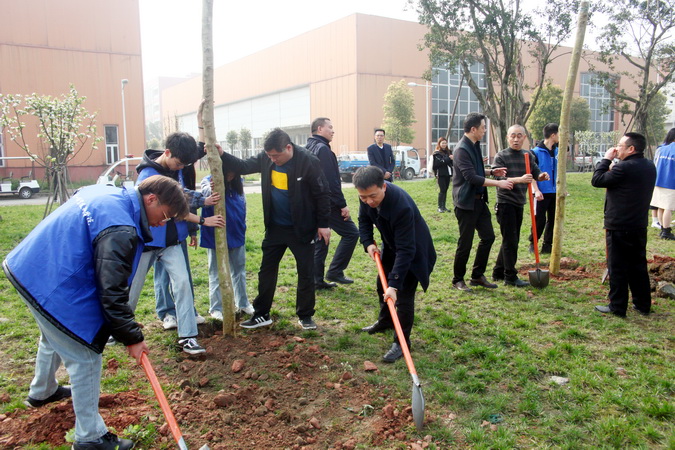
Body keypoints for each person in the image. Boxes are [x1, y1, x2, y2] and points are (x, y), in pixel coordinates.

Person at [3, 176, 188, 450]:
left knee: (54, 334)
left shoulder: (111, 196)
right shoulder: (121, 228)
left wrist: (125, 329)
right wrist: (132, 338)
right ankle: (90, 437)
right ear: (151, 199)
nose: (164, 223)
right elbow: (111, 292)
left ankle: (42, 391)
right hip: (47, 281)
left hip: (31, 266)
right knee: (85, 356)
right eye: (165, 215)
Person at [220, 128, 331, 331]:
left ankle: (305, 315)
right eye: (269, 155)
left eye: (276, 156)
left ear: (288, 147)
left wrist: (323, 224)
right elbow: (243, 166)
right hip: (275, 227)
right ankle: (262, 314)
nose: (272, 159)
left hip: (302, 228)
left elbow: (322, 193)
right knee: (266, 271)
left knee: (306, 272)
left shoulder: (308, 161)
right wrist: (222, 154)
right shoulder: (267, 157)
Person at [128, 132, 225, 355]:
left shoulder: (175, 165)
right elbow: (176, 207)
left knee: (182, 283)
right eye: (179, 163)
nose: (181, 168)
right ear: (167, 153)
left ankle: (188, 336)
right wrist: (202, 217)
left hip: (172, 241)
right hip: (148, 241)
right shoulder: (148, 177)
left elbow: (181, 195)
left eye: (184, 165)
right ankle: (116, 329)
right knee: (133, 286)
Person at [354, 166, 436, 363]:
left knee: (403, 297)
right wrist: (368, 243)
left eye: (373, 196)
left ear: (384, 186)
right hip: (391, 245)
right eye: (364, 197)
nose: (369, 201)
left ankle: (401, 342)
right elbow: (363, 220)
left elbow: (406, 250)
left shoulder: (401, 206)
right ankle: (385, 322)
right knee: (381, 285)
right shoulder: (365, 195)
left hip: (413, 251)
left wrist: (395, 284)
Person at [591, 132, 656, 317]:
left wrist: (606, 160)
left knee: (617, 267)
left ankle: (617, 306)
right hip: (638, 223)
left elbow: (597, 180)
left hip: (619, 225)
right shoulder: (649, 165)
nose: (616, 148)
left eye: (620, 145)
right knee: (638, 265)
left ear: (631, 148)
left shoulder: (624, 168)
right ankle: (642, 304)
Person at [451, 113, 512, 292]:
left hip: (479, 202)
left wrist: (492, 172)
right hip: (465, 203)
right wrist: (498, 183)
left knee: (488, 237)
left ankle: (477, 276)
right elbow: (470, 177)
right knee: (465, 243)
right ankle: (457, 279)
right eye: (483, 127)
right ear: (473, 129)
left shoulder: (475, 145)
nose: (485, 131)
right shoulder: (461, 149)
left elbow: (476, 171)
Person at [492, 124, 549, 287]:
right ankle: (510, 277)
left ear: (524, 138)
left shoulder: (527, 155)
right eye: (513, 136)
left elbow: (535, 171)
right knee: (511, 241)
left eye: (519, 136)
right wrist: (520, 179)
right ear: (507, 137)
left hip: (519, 202)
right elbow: (498, 179)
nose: (516, 139)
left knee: (510, 239)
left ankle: (498, 272)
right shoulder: (501, 156)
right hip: (505, 203)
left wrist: (541, 176)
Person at [306, 117, 359, 289]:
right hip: (328, 203)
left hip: (313, 203)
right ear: (320, 129)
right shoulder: (322, 149)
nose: (333, 131)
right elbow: (330, 181)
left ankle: (317, 280)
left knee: (321, 240)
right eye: (330, 127)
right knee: (351, 233)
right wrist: (342, 204)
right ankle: (335, 271)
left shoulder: (308, 148)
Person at [200, 172, 255, 319]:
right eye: (227, 171)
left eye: (233, 171)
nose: (230, 175)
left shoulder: (238, 184)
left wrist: (243, 224)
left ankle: (243, 303)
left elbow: (243, 204)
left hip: (236, 233)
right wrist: (212, 189)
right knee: (216, 272)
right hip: (215, 235)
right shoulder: (208, 181)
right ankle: (216, 308)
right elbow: (204, 193)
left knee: (239, 270)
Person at [529, 123, 559, 254]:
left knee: (553, 220)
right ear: (553, 135)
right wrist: (536, 190)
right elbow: (531, 173)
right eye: (559, 133)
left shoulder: (558, 151)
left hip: (555, 191)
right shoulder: (535, 152)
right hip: (541, 192)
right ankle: (533, 243)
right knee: (539, 220)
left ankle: (547, 245)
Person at [651, 128, 675, 240]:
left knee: (661, 206)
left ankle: (662, 229)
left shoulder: (661, 149)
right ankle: (666, 231)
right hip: (671, 183)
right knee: (668, 208)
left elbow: (655, 164)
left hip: (658, 181)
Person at [432, 136, 453, 212]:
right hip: (440, 174)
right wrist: (449, 158)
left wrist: (452, 159)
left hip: (448, 173)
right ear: (439, 144)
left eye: (445, 143)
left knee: (446, 190)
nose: (444, 144)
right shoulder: (437, 153)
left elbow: (451, 163)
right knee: (442, 190)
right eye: (442, 143)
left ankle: (444, 207)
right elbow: (439, 163)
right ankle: (439, 207)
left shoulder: (448, 152)